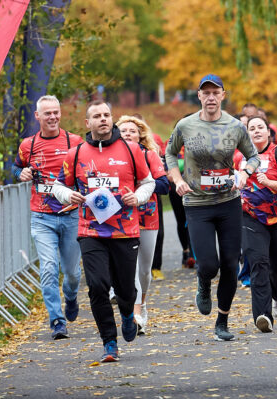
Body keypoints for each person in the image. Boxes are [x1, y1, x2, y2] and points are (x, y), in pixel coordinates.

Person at [52, 100, 155, 362]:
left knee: (126, 289)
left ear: (112, 119)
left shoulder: (132, 150)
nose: (103, 119)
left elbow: (148, 182)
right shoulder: (75, 154)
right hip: (91, 231)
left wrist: (139, 197)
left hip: (126, 230)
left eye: (107, 115)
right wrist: (68, 195)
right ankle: (109, 341)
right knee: (97, 286)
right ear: (88, 123)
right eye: (97, 116)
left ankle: (129, 313)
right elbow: (57, 186)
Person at [165, 74, 259, 342]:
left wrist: (244, 173)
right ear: (198, 96)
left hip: (228, 202)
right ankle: (203, 282)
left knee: (231, 263)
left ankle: (222, 321)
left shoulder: (234, 126)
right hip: (197, 204)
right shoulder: (185, 125)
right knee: (208, 264)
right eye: (205, 93)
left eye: (215, 92)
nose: (210, 97)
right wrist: (178, 179)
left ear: (223, 95)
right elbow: (170, 153)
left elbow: (253, 156)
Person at [12, 95, 83, 340]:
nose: (52, 117)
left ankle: (71, 296)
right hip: (41, 217)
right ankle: (56, 320)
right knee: (49, 268)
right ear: (38, 116)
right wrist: (20, 172)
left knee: (72, 273)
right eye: (47, 113)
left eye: (56, 112)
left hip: (71, 216)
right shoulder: (28, 145)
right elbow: (15, 166)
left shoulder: (74, 142)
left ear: (60, 114)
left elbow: (87, 168)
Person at [241, 115, 277, 332]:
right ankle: (263, 316)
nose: (256, 131)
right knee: (258, 262)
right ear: (246, 133)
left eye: (260, 127)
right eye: (251, 128)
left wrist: (270, 183)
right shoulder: (238, 155)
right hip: (251, 217)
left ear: (268, 132)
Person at [117, 114, 170, 335]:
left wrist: (141, 188)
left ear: (141, 135)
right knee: (128, 268)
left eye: (132, 130)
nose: (128, 134)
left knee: (144, 271)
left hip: (147, 217)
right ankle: (135, 313)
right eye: (123, 130)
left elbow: (165, 185)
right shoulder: (112, 158)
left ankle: (143, 303)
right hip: (119, 219)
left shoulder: (149, 155)